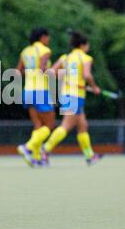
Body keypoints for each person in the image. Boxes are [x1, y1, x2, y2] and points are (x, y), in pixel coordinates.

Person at [41, 30, 102, 166]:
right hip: (75, 95)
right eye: (88, 45)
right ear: (83, 45)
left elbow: (51, 73)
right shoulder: (86, 58)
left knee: (83, 126)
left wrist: (66, 79)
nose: (88, 47)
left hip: (67, 94)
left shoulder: (66, 58)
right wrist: (95, 87)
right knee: (66, 126)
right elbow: (87, 75)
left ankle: (89, 155)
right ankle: (44, 150)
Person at [16, 28, 55, 167]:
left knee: (38, 126)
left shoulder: (25, 51)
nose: (48, 40)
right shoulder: (45, 50)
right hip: (40, 91)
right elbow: (43, 69)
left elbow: (18, 71)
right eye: (47, 37)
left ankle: (37, 158)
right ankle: (28, 147)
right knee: (49, 126)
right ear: (43, 37)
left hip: (28, 91)